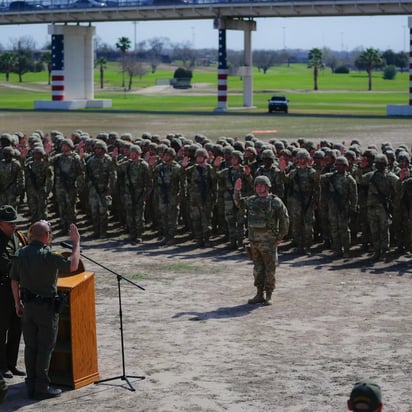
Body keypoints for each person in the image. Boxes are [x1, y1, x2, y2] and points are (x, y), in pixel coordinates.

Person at [10, 221, 81, 400]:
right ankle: (41, 388)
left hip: (28, 308)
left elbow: (14, 280)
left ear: (30, 234)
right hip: (46, 310)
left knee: (30, 347)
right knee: (45, 348)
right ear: (47, 236)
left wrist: (17, 303)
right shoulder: (49, 255)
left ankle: (31, 384)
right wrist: (76, 244)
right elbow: (73, 266)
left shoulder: (20, 253)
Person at [233, 176, 289, 306]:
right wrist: (237, 191)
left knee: (270, 268)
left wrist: (280, 236)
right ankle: (259, 293)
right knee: (258, 268)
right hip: (254, 241)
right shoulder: (252, 200)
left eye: (261, 185)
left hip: (269, 241)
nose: (259, 188)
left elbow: (284, 219)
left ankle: (269, 294)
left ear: (267, 186)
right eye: (257, 185)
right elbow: (239, 203)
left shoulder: (275, 202)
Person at [0, 205, 27, 379]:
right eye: (10, 223)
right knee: (1, 329)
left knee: (17, 328)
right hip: (2, 290)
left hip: (17, 288)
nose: (14, 226)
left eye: (15, 223)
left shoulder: (18, 237)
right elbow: (6, 265)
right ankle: (2, 366)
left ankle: (12, 363)